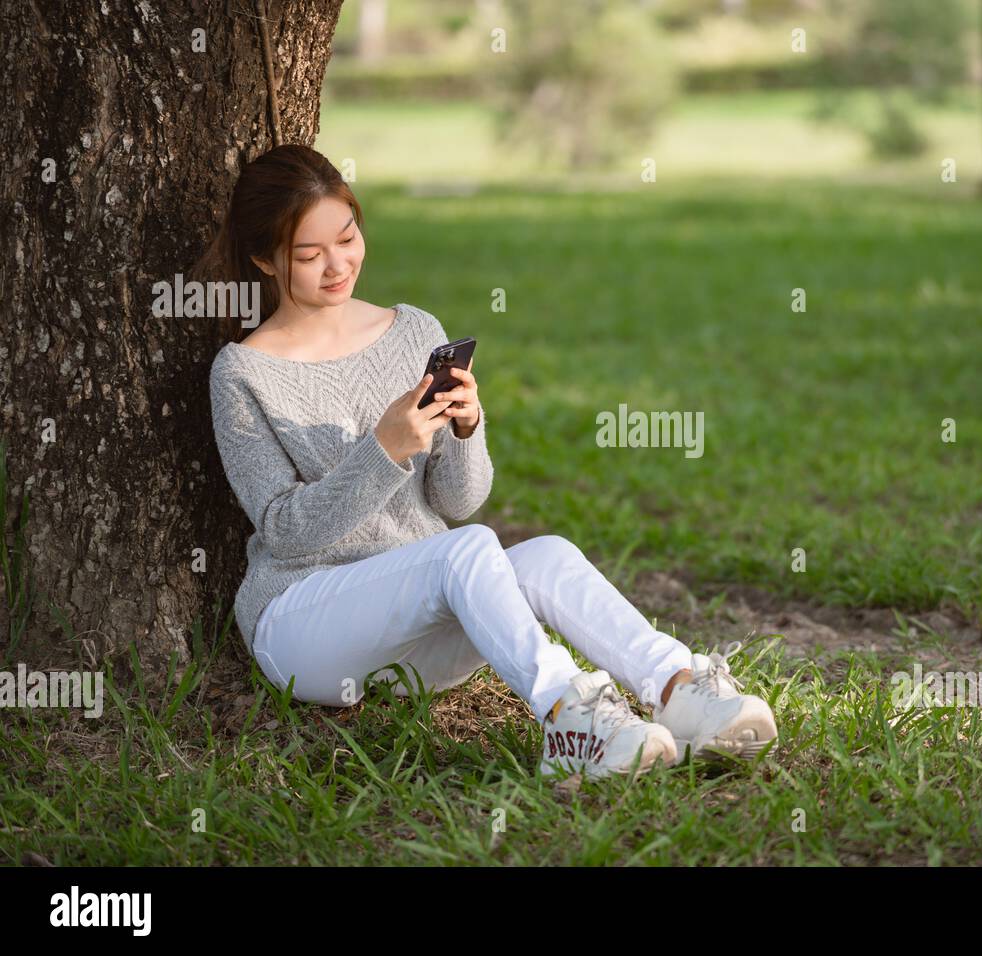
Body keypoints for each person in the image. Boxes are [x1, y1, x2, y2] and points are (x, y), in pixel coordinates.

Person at [201, 144, 778, 778]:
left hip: (414, 641)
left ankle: (680, 691)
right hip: (305, 631)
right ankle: (569, 720)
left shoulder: (414, 331)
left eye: (347, 237)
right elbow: (283, 530)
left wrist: (468, 428)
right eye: (309, 256)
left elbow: (457, 503)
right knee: (466, 548)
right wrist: (382, 453)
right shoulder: (244, 372)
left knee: (547, 554)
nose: (338, 265)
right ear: (264, 259)